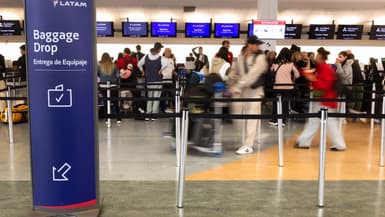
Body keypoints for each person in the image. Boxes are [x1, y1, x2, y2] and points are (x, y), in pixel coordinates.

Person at [295, 47, 346, 151]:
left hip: (325, 100)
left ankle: (304, 141)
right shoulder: (323, 68)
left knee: (317, 122)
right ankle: (304, 141)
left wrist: (312, 79)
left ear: (321, 58)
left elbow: (324, 85)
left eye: (317, 56)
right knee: (325, 123)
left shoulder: (325, 69)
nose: (315, 58)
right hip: (325, 100)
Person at [227, 36, 267, 155]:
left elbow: (251, 76)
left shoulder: (260, 58)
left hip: (255, 92)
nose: (258, 46)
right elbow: (235, 71)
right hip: (243, 92)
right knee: (237, 115)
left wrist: (236, 87)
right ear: (250, 45)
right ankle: (255, 137)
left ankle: (248, 145)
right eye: (256, 44)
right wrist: (230, 80)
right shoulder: (240, 57)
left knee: (251, 118)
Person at [268, 47, 300, 126]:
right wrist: (292, 79)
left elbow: (270, 71)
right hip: (288, 87)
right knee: (285, 104)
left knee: (276, 103)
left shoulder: (275, 63)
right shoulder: (291, 64)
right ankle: (283, 121)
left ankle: (275, 119)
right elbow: (297, 74)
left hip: (277, 87)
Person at [138, 42, 168, 120]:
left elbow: (139, 64)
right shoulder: (160, 57)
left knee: (150, 97)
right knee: (156, 98)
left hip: (149, 80)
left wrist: (142, 71)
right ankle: (154, 115)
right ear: (158, 49)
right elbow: (166, 64)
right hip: (157, 80)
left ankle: (148, 115)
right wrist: (161, 70)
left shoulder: (146, 57)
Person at [98, 52, 122, 125]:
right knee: (115, 102)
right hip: (113, 85)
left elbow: (97, 75)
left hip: (103, 86)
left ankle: (107, 118)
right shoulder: (114, 65)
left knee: (105, 102)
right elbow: (118, 75)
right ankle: (118, 118)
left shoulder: (99, 66)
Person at [160, 48, 176, 113]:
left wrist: (177, 74)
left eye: (170, 52)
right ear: (165, 52)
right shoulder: (161, 59)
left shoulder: (171, 60)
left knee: (172, 96)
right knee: (162, 96)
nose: (170, 53)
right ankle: (162, 110)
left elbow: (173, 71)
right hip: (163, 81)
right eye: (168, 51)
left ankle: (175, 109)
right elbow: (159, 70)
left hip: (170, 81)